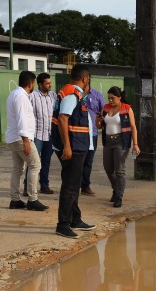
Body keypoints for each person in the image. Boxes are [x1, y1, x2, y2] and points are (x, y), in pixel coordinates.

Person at [52, 64, 96, 239]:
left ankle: (75, 219)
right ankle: (63, 225)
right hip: (73, 148)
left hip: (78, 146)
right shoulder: (72, 93)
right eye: (89, 79)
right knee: (70, 187)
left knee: (74, 184)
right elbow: (63, 118)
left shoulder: (73, 92)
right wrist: (68, 146)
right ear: (85, 78)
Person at [5, 71, 47, 212]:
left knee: (18, 169)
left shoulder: (14, 94)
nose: (34, 85)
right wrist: (26, 141)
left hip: (14, 138)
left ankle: (15, 200)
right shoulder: (21, 97)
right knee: (35, 165)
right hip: (20, 138)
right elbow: (22, 118)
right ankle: (32, 199)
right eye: (34, 83)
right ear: (30, 83)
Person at [100, 86, 139, 208]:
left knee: (120, 170)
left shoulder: (127, 108)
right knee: (108, 168)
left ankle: (119, 197)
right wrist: (97, 121)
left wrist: (135, 144)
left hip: (121, 142)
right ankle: (116, 188)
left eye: (112, 98)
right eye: (109, 98)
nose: (110, 101)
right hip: (107, 141)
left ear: (119, 97)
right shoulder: (105, 108)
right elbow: (99, 125)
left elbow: (133, 127)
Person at [25, 72, 56, 196]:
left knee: (46, 161)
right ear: (40, 84)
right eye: (47, 83)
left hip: (49, 134)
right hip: (37, 134)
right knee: (33, 162)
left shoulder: (53, 96)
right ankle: (28, 187)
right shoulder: (32, 96)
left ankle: (44, 185)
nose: (49, 85)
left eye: (50, 83)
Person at [80, 80, 105, 197]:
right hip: (78, 133)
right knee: (78, 160)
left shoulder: (97, 95)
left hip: (92, 134)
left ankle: (85, 186)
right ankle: (75, 185)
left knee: (88, 161)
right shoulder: (76, 95)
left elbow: (103, 112)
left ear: (86, 80)